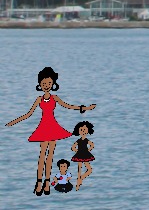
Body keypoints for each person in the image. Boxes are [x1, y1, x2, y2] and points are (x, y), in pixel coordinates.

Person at [5, 68, 95, 197]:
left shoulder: (55, 98)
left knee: (50, 157)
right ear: (40, 84)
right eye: (44, 84)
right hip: (43, 127)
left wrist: (84, 108)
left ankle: (47, 182)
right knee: (42, 156)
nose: (46, 86)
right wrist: (14, 122)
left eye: (48, 83)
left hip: (53, 127)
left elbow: (68, 106)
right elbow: (28, 114)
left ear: (53, 84)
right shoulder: (39, 99)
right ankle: (39, 182)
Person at [68, 122, 95, 190]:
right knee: (79, 170)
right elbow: (73, 147)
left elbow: (92, 145)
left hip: (84, 154)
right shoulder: (79, 140)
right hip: (81, 154)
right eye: (81, 130)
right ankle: (78, 182)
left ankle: (80, 179)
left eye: (84, 130)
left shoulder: (86, 140)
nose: (83, 131)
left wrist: (88, 150)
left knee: (89, 169)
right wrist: (78, 151)